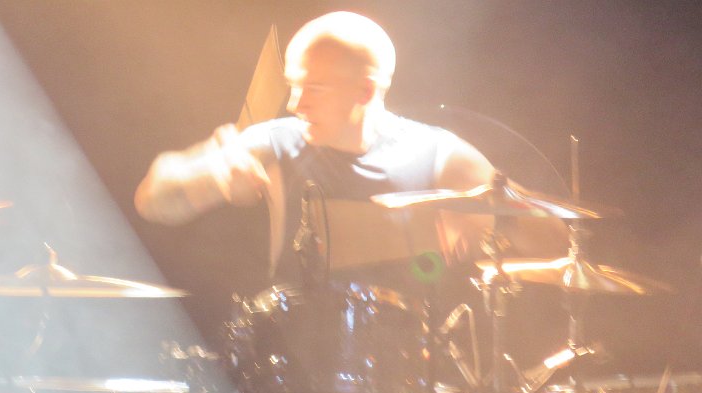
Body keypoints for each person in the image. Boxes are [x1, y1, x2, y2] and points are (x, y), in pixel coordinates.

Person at [135, 11, 567, 285]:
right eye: (293, 86)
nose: (295, 104)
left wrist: (491, 222)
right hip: (283, 367)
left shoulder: (437, 153)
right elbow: (153, 200)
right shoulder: (275, 141)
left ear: (365, 91)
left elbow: (558, 241)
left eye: (314, 88)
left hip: (405, 378)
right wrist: (211, 176)